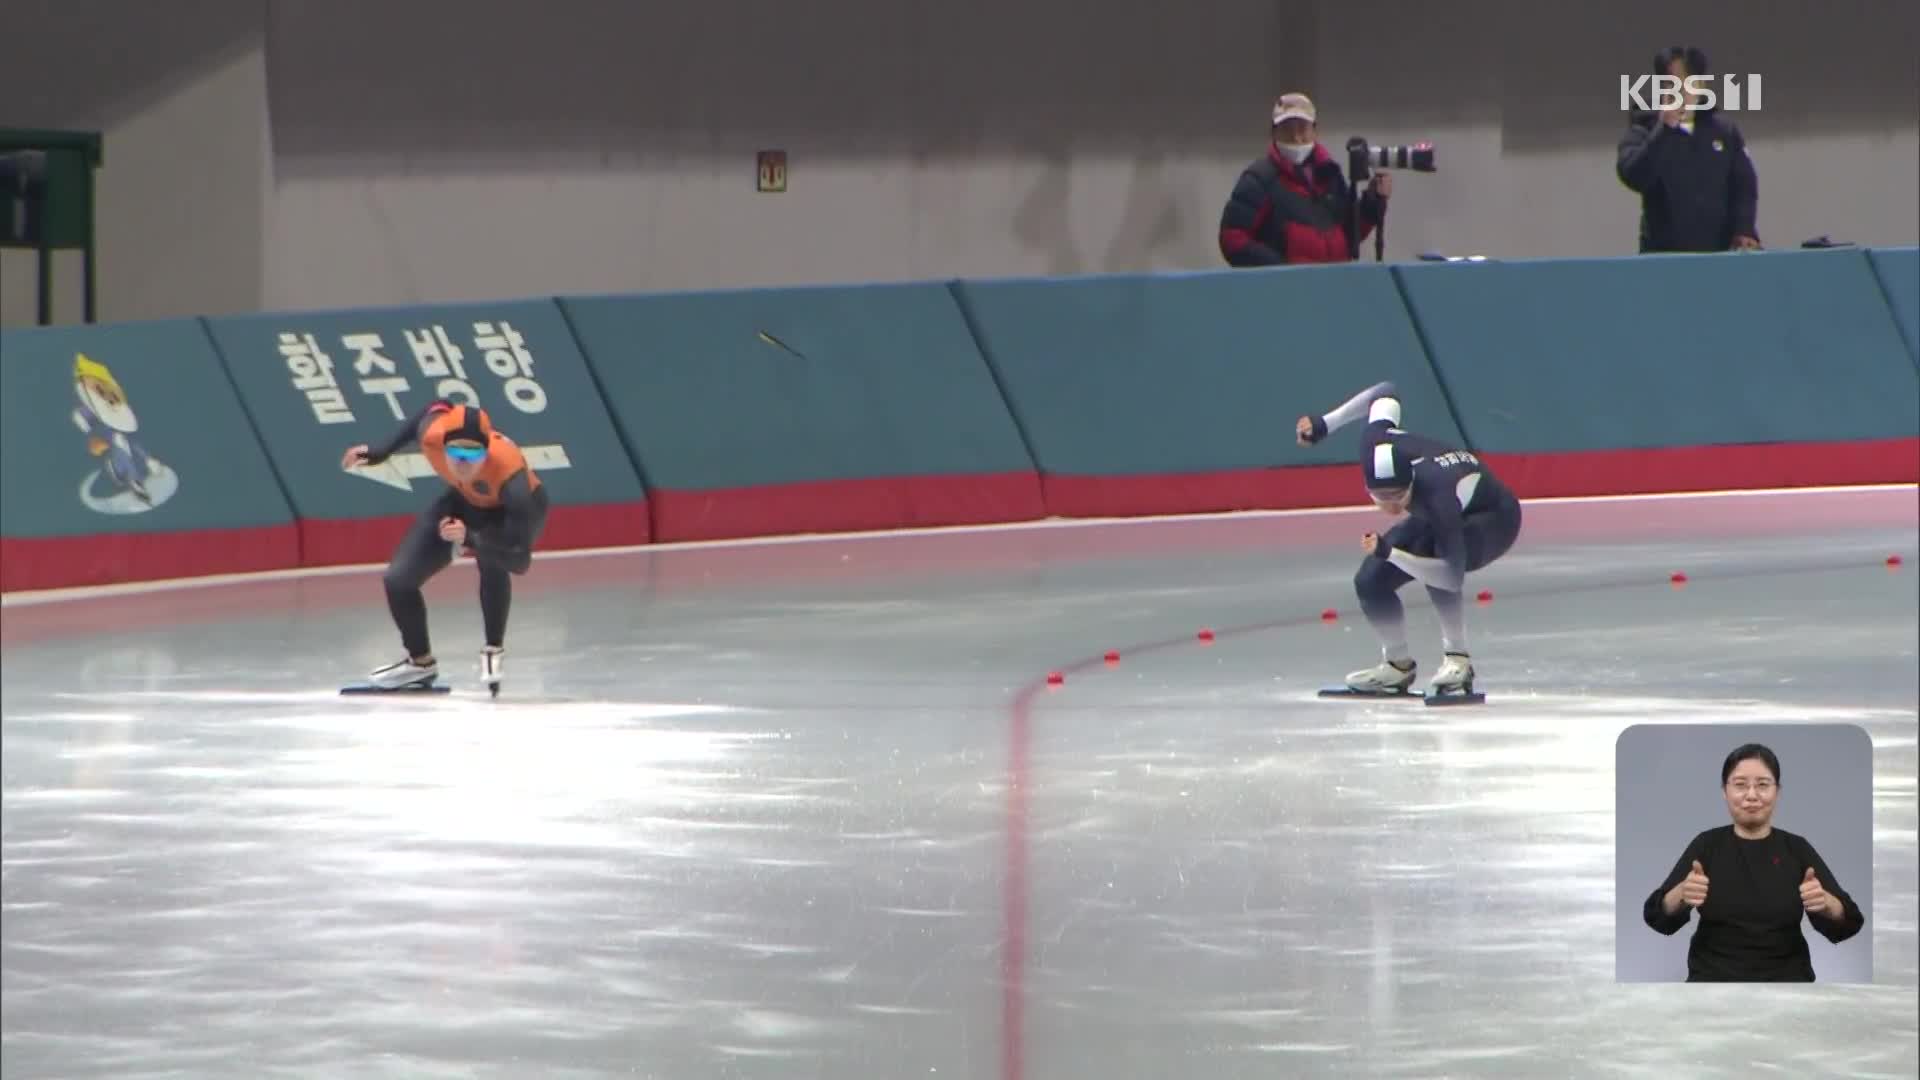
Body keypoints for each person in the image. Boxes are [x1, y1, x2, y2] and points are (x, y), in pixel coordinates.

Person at [1295, 380, 1522, 695]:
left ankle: (1458, 661)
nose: (1391, 506)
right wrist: (1325, 424)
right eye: (1381, 497)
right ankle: (1396, 666)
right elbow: (1384, 391)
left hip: (1495, 518)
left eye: (1399, 497)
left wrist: (1391, 553)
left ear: (1412, 481)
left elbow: (1449, 576)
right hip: (1441, 507)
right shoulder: (1373, 442)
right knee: (1370, 579)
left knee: (1433, 555)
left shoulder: (1438, 497)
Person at [341, 400, 549, 692]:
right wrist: (381, 451)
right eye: (456, 452)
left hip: (506, 514)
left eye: (472, 452)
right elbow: (428, 411)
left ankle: (493, 649)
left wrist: (471, 539)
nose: (463, 461)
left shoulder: (511, 479)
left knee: (492, 560)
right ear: (443, 444)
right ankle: (419, 662)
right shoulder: (432, 435)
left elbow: (519, 561)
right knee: (398, 580)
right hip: (463, 501)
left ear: (487, 450)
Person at [1642, 743, 1864, 981]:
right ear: (1724, 791)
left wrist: (1828, 904)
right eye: (1740, 785)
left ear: (1777, 791)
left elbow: (1851, 921)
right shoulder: (1707, 845)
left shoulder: (1796, 848)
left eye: (1762, 785)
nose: (1751, 795)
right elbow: (1657, 917)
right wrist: (1681, 894)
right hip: (1712, 985)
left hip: (1788, 986)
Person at [1616, 46, 1760, 253]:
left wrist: (1744, 229)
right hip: (1664, 258)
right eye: (1671, 84)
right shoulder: (1646, 126)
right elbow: (1633, 174)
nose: (1680, 92)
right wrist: (1663, 130)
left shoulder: (1723, 131)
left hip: (1718, 256)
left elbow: (1744, 186)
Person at [1219, 93, 1389, 267]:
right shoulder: (1259, 179)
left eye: (1302, 128)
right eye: (1287, 129)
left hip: (1334, 285)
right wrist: (1280, 269)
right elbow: (1232, 239)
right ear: (1274, 133)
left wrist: (1371, 205)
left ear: (1315, 131)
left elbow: (1346, 235)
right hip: (1285, 290)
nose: (1295, 137)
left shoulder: (1330, 174)